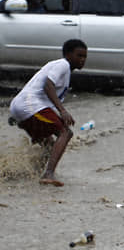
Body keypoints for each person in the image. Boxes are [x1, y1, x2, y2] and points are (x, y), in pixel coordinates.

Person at [9, 39, 88, 187]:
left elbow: (43, 94)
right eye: (79, 56)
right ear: (68, 54)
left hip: (22, 108)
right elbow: (48, 85)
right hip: (29, 106)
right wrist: (62, 111)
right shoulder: (63, 65)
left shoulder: (62, 70)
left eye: (84, 57)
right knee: (66, 133)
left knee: (50, 144)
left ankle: (33, 173)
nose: (82, 60)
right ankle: (48, 174)